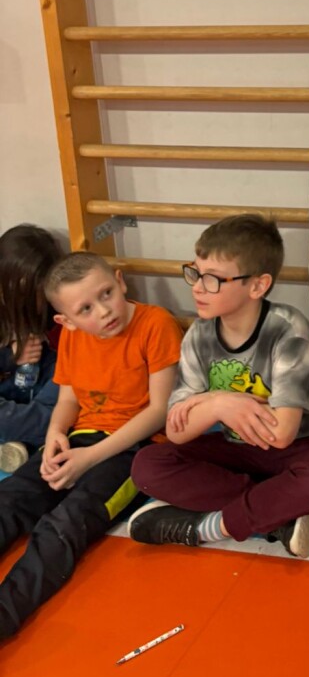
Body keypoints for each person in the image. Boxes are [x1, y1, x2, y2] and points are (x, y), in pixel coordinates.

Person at [128, 214, 309, 559]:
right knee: (148, 465)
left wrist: (209, 403)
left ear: (257, 286)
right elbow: (176, 431)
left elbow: (281, 435)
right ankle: (277, 510)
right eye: (195, 273)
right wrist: (219, 403)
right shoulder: (199, 334)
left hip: (304, 445)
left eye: (213, 279)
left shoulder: (289, 329)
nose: (197, 287)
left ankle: (207, 528)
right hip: (240, 446)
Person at [0, 252, 182, 640]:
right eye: (85, 308)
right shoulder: (73, 336)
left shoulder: (155, 324)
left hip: (135, 451)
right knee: (11, 497)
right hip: (81, 440)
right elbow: (68, 399)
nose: (103, 311)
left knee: (65, 525)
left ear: (120, 281)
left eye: (106, 294)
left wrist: (87, 459)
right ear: (65, 321)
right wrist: (54, 436)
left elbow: (159, 412)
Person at [0, 224, 62, 473]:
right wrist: (9, 357)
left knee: (63, 384)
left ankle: (23, 441)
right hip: (7, 395)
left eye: (36, 293)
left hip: (36, 393)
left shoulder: (52, 314)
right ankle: (31, 436)